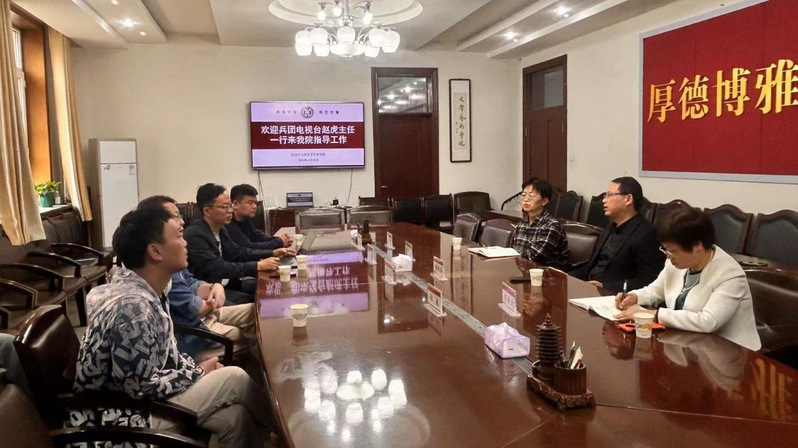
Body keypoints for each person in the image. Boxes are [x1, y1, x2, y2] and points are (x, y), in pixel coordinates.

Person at [73, 208, 276, 447]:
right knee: (234, 378)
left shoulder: (147, 289)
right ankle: (290, 432)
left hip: (142, 402)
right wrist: (197, 372)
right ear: (155, 251)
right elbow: (139, 386)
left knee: (234, 417)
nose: (185, 242)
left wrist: (193, 369)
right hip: (119, 419)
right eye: (178, 236)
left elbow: (163, 359)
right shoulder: (133, 309)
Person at [615, 208, 761, 351]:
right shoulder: (676, 263)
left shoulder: (730, 274)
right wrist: (634, 297)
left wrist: (655, 314)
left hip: (730, 352)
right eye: (666, 249)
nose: (668, 256)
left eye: (673, 251)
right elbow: (656, 291)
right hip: (688, 344)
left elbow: (708, 321)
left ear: (697, 246)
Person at [138, 195, 256, 359]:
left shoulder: (173, 258)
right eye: (175, 217)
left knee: (258, 312)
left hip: (205, 315)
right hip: (193, 330)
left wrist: (214, 287)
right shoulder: (160, 267)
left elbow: (191, 282)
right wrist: (212, 299)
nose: (182, 222)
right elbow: (195, 308)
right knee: (251, 334)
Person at [185, 183, 292, 303]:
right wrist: (258, 265)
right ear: (207, 211)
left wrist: (272, 252)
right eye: (225, 207)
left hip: (230, 285)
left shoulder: (221, 229)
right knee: (261, 302)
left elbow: (238, 252)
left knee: (274, 288)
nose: (231, 210)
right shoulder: (195, 235)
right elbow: (217, 267)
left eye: (230, 205)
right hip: (211, 294)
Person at [572, 176, 664, 293]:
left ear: (628, 199)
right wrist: (568, 275)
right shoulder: (610, 227)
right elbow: (594, 266)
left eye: (609, 195)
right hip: (590, 289)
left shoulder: (647, 234)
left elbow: (648, 280)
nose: (604, 200)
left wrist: (605, 286)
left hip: (615, 295)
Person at [510, 177, 569, 270]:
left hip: (548, 274)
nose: (526, 199)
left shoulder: (551, 226)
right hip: (524, 270)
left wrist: (510, 254)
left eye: (531, 196)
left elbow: (535, 257)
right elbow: (515, 249)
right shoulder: (521, 223)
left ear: (544, 201)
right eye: (524, 195)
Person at [227, 184, 292, 250]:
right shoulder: (228, 223)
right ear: (235, 204)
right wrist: (279, 242)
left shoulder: (245, 219)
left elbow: (259, 238)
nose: (255, 206)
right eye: (250, 203)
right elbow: (249, 247)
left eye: (255, 203)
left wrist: (281, 239)